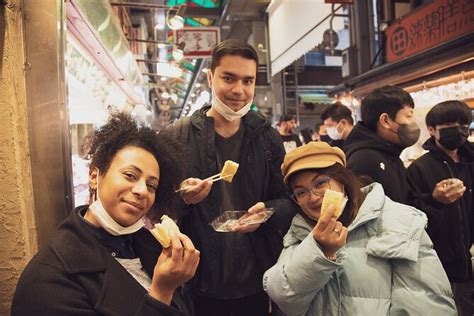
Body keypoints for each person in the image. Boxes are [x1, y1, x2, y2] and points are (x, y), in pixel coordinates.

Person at [12, 113, 200, 316]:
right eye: (130, 175)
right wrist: (162, 292)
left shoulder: (150, 247)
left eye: (151, 185)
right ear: (94, 176)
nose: (142, 191)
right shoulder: (49, 278)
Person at [163, 39, 297, 316]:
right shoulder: (178, 135)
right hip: (198, 283)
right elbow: (158, 208)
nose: (239, 90)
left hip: (257, 279)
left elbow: (288, 197)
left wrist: (268, 211)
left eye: (248, 81)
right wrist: (183, 198)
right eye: (228, 78)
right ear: (210, 77)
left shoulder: (266, 137)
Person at [263, 141, 456, 316]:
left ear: (342, 178)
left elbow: (426, 302)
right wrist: (320, 249)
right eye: (301, 192)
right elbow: (284, 297)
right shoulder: (300, 230)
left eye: (320, 183)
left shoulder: (398, 219)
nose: (313, 197)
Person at [407, 100, 474, 315]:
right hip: (446, 263)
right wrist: (434, 199)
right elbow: (412, 212)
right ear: (431, 130)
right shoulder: (419, 167)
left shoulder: (472, 159)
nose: (458, 131)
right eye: (449, 126)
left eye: (463, 125)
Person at [343, 85, 420, 204]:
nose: (413, 122)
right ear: (385, 121)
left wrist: (435, 198)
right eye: (408, 116)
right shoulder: (364, 160)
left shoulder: (391, 155)